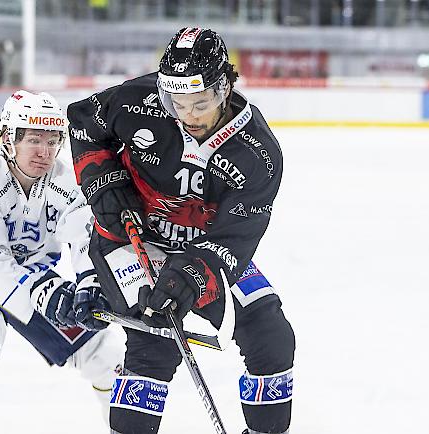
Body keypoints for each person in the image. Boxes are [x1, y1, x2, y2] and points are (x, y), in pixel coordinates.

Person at [68, 27, 295, 434]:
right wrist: (102, 181)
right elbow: (85, 121)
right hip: (129, 239)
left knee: (270, 335)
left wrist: (193, 275)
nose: (188, 116)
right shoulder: (140, 100)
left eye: (200, 103)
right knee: (154, 338)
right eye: (177, 104)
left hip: (205, 250)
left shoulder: (259, 155)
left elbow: (232, 241)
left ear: (224, 87)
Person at [0, 90, 124, 433]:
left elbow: (82, 238)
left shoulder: (66, 179)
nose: (44, 152)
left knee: (104, 355)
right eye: (33, 139)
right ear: (7, 139)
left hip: (30, 275)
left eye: (52, 140)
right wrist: (43, 291)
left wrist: (90, 281)